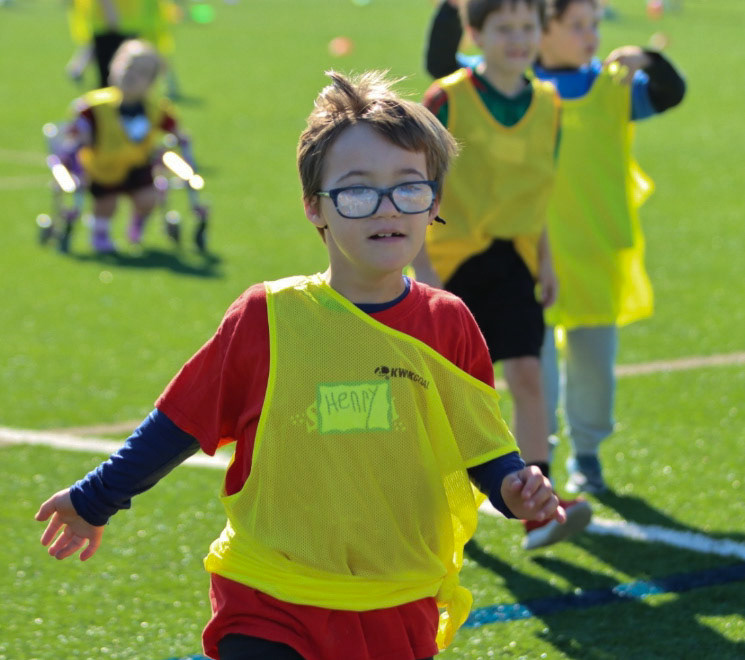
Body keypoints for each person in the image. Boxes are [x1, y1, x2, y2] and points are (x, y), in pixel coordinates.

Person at [35, 70, 566, 660]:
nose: (387, 208)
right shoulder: (269, 317)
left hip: (397, 597)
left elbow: (482, 443)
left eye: (409, 188)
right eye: (358, 191)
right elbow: (182, 420)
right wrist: (95, 497)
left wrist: (514, 487)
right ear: (315, 207)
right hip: (269, 595)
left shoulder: (449, 323)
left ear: (434, 203)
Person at [424, 0, 686, 495]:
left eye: (595, 24)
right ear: (544, 31)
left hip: (591, 248)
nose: (591, 35)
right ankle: (528, 466)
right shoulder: (506, 80)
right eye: (577, 25)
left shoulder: (608, 86)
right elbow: (442, 62)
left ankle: (581, 459)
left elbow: (671, 92)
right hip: (515, 252)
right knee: (526, 370)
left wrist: (650, 59)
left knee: (590, 365)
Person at [413, 0, 592, 550]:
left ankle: (540, 510)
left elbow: (537, 192)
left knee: (529, 376)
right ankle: (436, 508)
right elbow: (415, 185)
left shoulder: (548, 103)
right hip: (450, 265)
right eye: (503, 28)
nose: (517, 39)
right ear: (475, 34)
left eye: (527, 28)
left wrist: (546, 261)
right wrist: (422, 268)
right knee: (452, 396)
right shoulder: (446, 99)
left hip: (514, 261)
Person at [65, 38, 196, 252]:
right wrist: (79, 137)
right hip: (104, 166)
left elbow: (172, 127)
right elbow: (78, 127)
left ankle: (137, 225)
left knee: (148, 198)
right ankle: (100, 234)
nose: (132, 75)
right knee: (106, 203)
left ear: (152, 82)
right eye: (127, 67)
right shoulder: (96, 105)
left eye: (142, 72)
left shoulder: (156, 108)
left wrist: (179, 137)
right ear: (114, 68)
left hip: (138, 164)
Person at [66, 0, 178, 92]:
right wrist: (109, 12)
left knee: (144, 59)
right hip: (111, 26)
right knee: (111, 82)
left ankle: (77, 68)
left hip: (131, 22)